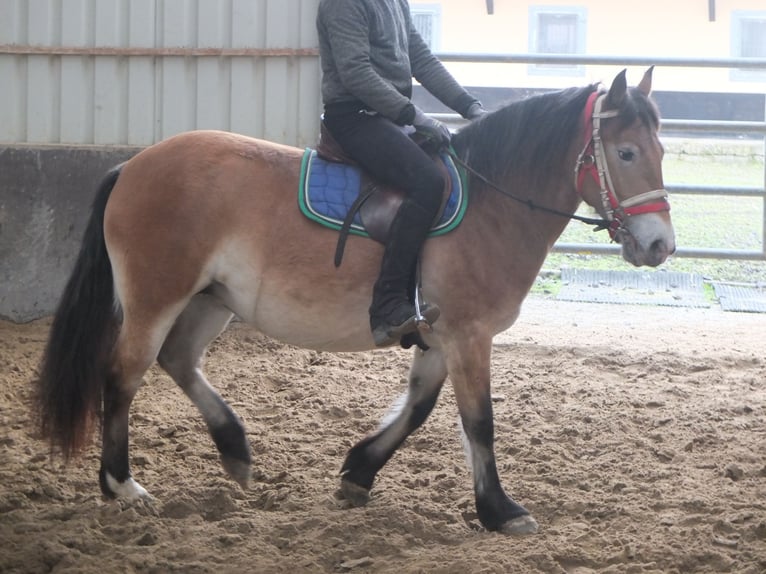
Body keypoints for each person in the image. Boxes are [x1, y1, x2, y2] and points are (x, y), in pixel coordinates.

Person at [316, 0, 487, 347]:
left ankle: (426, 292)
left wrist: (470, 106)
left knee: (448, 164)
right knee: (428, 181)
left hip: (387, 116)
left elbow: (420, 58)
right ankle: (388, 305)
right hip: (354, 116)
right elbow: (355, 72)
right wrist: (415, 115)